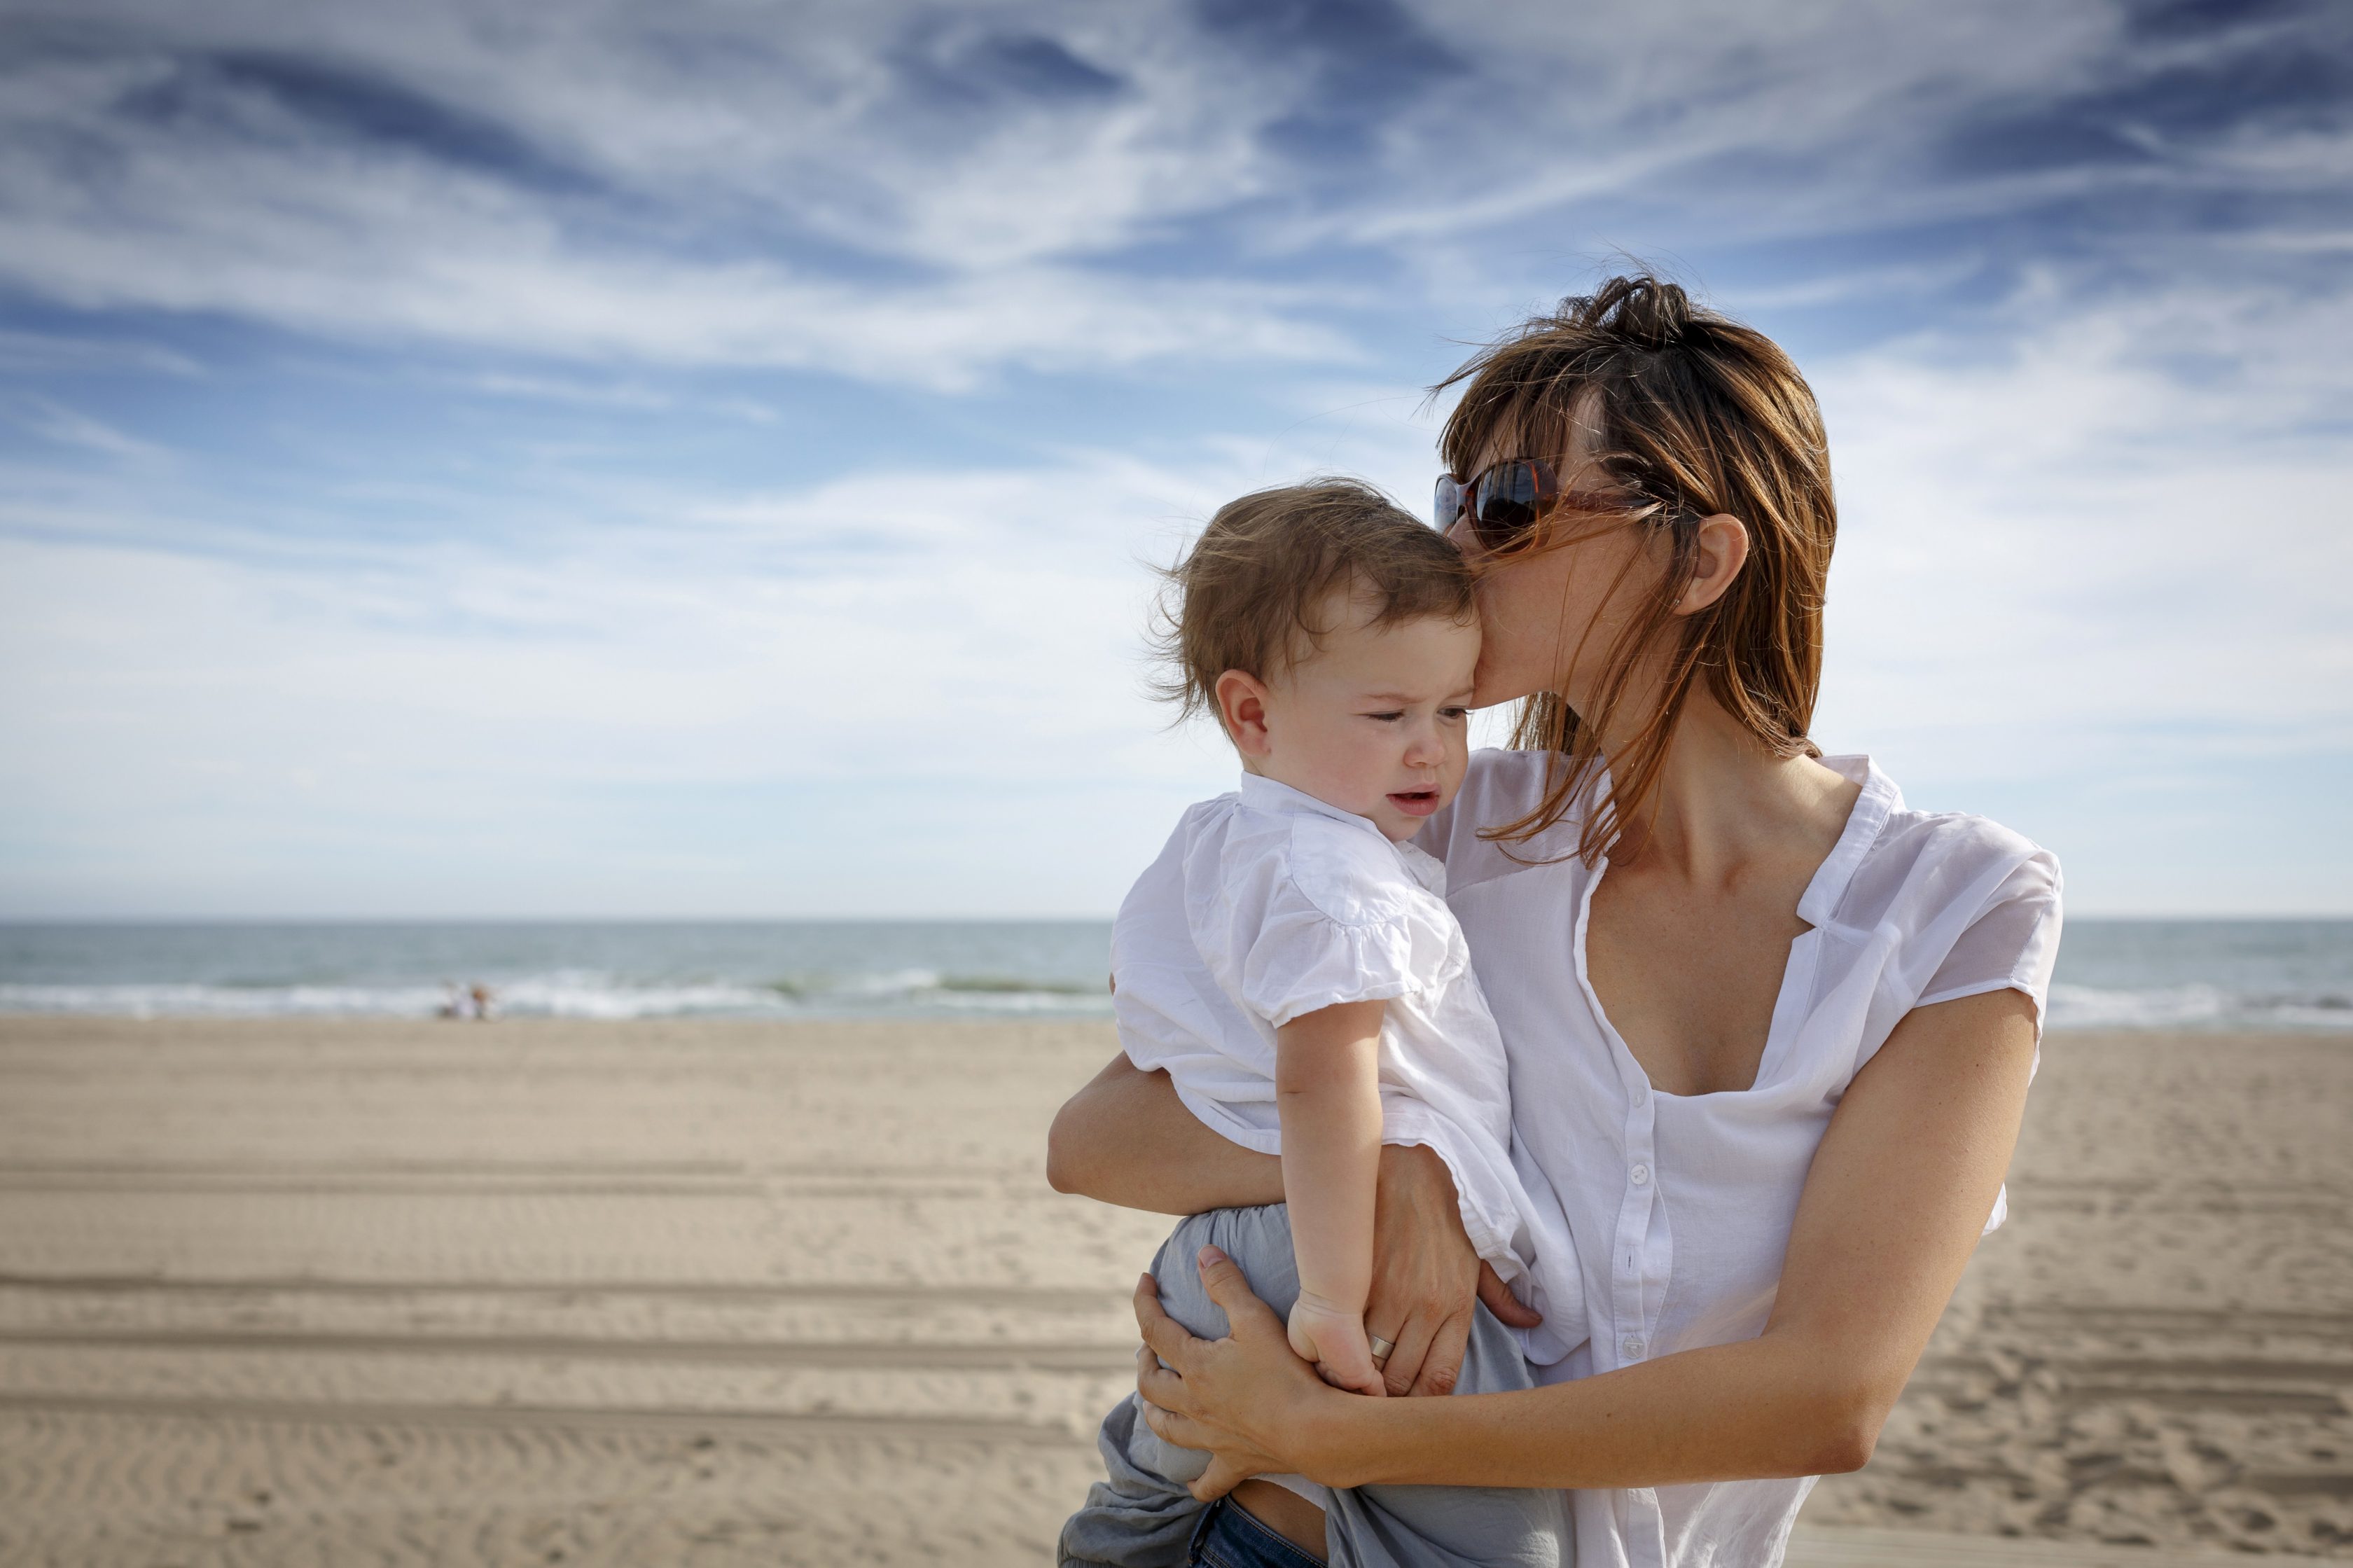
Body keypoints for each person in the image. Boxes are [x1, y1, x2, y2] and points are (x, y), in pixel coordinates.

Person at [1047, 275, 2062, 1568]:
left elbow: (1828, 1395)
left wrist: (1349, 1435)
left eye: (1511, 504)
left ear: (1701, 557)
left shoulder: (1955, 905)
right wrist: (1415, 1160)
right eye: (1453, 500)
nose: (1456, 547)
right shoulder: (1423, 825)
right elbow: (1100, 1139)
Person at [1060, 482, 1567, 1568]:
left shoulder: (1218, 845)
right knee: (1497, 1539)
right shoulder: (1344, 880)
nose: (1431, 750)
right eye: (1389, 716)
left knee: (1169, 1466)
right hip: (1338, 1243)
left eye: (1453, 712)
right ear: (1252, 715)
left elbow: (1155, 1016)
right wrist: (1338, 1295)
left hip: (1227, 1232)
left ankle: (1125, 1533)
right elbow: (1325, 1081)